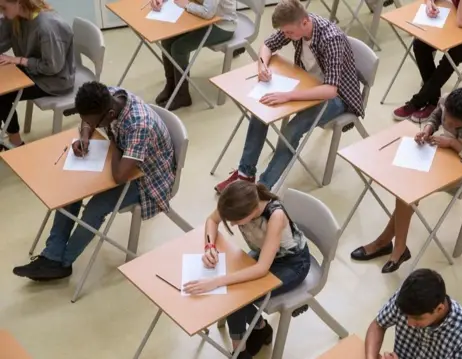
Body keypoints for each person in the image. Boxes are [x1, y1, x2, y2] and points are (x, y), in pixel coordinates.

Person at [13, 81, 176, 281]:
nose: (91, 124)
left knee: (96, 207)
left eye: (95, 123)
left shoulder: (138, 125)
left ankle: (63, 263)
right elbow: (88, 122)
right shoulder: (108, 96)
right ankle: (52, 256)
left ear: (109, 115)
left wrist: (115, 144)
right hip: (125, 160)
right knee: (71, 188)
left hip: (149, 179)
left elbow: (119, 175)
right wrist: (85, 135)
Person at [214, 0, 363, 193]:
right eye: (284, 33)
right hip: (306, 84)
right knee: (260, 110)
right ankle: (245, 174)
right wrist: (262, 66)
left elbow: (330, 90)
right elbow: (267, 45)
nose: (286, 36)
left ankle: (263, 188)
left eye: (289, 33)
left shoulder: (330, 38)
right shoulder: (293, 28)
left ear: (305, 22)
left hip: (339, 97)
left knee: (292, 130)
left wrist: (288, 96)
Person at [351, 86, 462, 273]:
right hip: (443, 154)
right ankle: (391, 245)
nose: (449, 124)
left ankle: (388, 244)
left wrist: (454, 144)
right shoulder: (447, 101)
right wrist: (428, 129)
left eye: (454, 124)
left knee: (410, 189)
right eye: (448, 120)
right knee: (408, 186)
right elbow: (436, 116)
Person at [184, 181, 310, 359]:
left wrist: (215, 281)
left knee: (237, 297)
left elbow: (261, 269)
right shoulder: (237, 200)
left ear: (251, 212)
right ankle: (258, 329)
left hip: (292, 263)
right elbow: (212, 220)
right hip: (265, 254)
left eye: (236, 221)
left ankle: (240, 350)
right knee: (232, 293)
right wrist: (209, 246)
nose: (233, 225)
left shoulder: (275, 216)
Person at [392, 0, 462, 123]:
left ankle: (417, 102)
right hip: (458, 19)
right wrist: (430, 4)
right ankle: (434, 99)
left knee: (451, 57)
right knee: (420, 45)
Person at [0, 0, 75, 148]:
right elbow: (3, 40)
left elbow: (53, 67)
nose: (1, 13)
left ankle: (16, 143)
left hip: (54, 80)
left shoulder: (47, 27)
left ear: (19, 3)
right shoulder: (17, 17)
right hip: (33, 70)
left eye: (3, 8)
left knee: (2, 95)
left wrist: (19, 60)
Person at [365, 269, 462, 359]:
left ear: (439, 308)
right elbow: (378, 325)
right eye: (406, 315)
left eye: (417, 318)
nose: (409, 323)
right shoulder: (407, 299)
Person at [151, 0, 237, 110]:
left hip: (222, 25)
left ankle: (182, 95)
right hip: (200, 19)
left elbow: (208, 12)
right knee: (167, 40)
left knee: (179, 48)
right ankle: (171, 85)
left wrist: (186, 5)